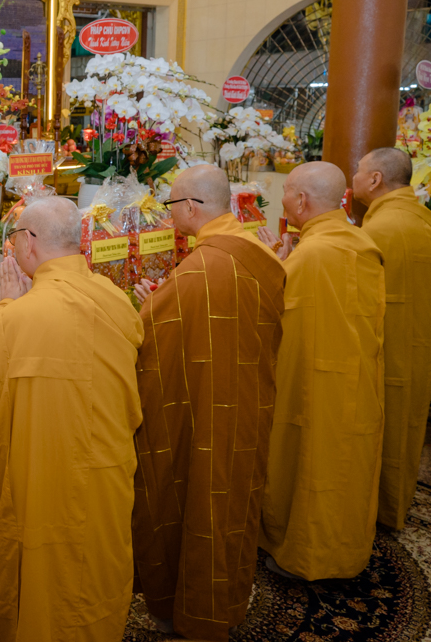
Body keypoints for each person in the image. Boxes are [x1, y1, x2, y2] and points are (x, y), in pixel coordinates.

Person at [0, 196, 143, 642]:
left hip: (45, 481)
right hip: (106, 472)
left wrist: (4, 307)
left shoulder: (17, 318)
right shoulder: (114, 298)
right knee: (95, 568)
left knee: (47, 572)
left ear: (29, 242)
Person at [129, 165, 285, 640]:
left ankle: (193, 610)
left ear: (191, 208)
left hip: (204, 414)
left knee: (196, 501)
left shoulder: (199, 269)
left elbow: (151, 336)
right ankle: (228, 599)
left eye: (171, 205)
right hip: (247, 407)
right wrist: (170, 300)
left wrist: (149, 308)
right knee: (234, 503)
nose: (170, 213)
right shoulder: (258, 250)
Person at [258, 161, 385, 581]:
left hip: (313, 384)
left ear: (301, 200)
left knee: (311, 464)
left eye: (287, 193)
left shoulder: (312, 253)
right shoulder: (358, 242)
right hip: (358, 381)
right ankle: (346, 552)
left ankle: (306, 557)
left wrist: (269, 265)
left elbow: (272, 312)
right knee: (348, 467)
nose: (283, 200)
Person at [352, 147, 431, 526]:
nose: (353, 177)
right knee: (405, 427)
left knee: (378, 428)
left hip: (383, 349)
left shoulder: (378, 230)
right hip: (418, 347)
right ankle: (396, 502)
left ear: (375, 180)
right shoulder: (427, 221)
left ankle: (373, 509)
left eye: (358, 171)